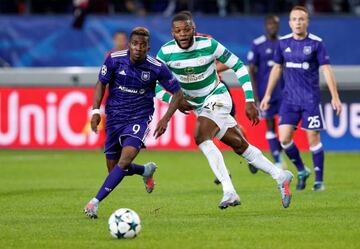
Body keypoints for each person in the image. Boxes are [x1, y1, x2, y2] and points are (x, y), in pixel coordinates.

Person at [156, 13, 294, 209]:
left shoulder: (209, 45)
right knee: (239, 145)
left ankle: (229, 191)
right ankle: (280, 176)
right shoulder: (165, 52)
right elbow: (153, 83)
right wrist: (173, 100)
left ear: (193, 29)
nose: (183, 34)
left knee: (201, 137)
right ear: (173, 33)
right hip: (198, 106)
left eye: (187, 30)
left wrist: (249, 100)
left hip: (217, 96)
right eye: (178, 31)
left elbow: (239, 66)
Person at [84, 27, 184, 218]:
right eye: (135, 44)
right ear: (129, 45)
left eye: (143, 45)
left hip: (139, 117)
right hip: (114, 118)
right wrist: (96, 110)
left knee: (125, 159)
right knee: (114, 169)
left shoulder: (156, 67)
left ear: (148, 47)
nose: (138, 48)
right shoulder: (114, 59)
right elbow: (101, 83)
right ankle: (145, 170)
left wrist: (165, 118)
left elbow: (178, 93)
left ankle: (93, 203)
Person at [260, 6, 342, 191]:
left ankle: (319, 181)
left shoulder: (316, 43)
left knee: (313, 138)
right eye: (294, 19)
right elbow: (277, 68)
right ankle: (302, 169)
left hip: (310, 100)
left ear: (307, 22)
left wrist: (335, 96)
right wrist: (267, 95)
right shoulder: (283, 43)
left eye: (301, 19)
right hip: (289, 100)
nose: (298, 22)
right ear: (289, 23)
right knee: (284, 139)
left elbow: (326, 69)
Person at [247, 15, 285, 174]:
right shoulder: (258, 44)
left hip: (284, 93)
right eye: (270, 24)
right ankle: (277, 159)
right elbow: (251, 70)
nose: (272, 26)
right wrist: (255, 95)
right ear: (265, 26)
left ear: (279, 26)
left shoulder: (285, 42)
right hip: (265, 93)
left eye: (275, 24)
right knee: (270, 125)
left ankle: (278, 155)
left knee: (285, 128)